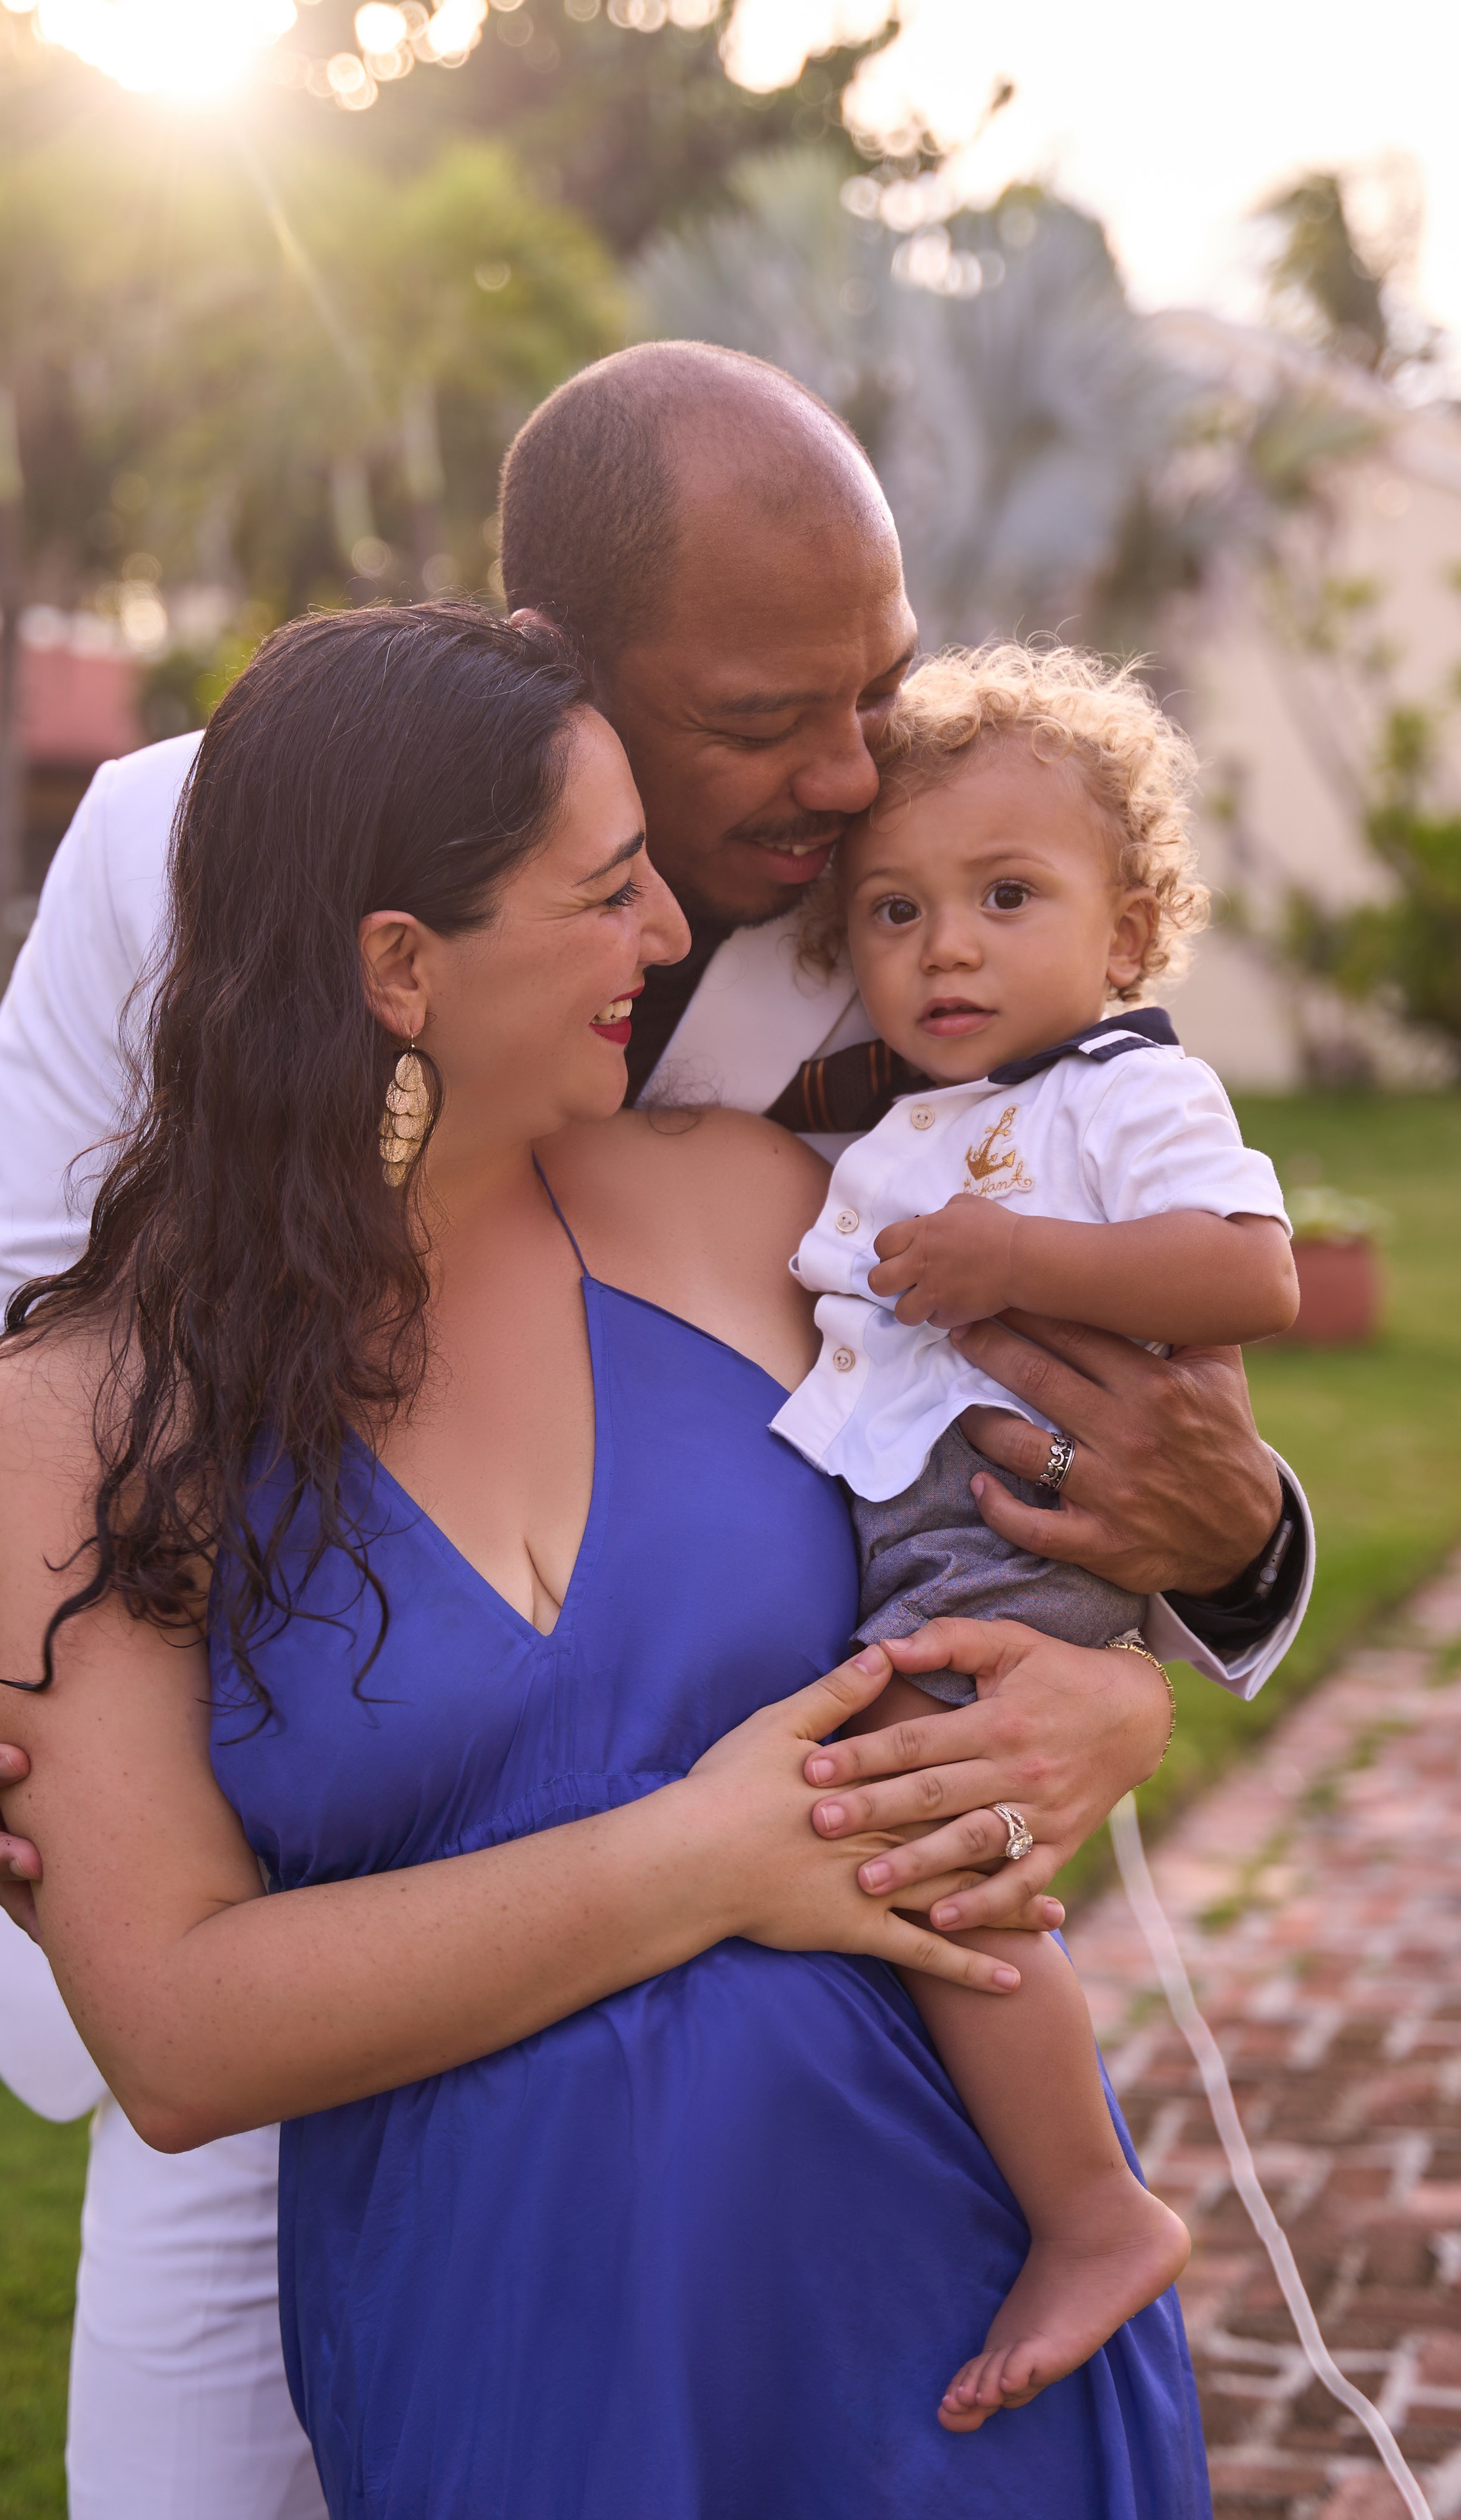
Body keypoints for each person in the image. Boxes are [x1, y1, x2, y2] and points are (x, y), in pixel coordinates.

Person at [0, 344, 1309, 2515]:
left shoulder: (900, 913)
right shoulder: (181, 842)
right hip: (300, 1882)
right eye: (761, 720)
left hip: (833, 2098)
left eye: (882, 684)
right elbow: (0, 1289)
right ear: (556, 663)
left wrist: (1172, 1614)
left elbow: (1076, 1301)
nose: (851, 775)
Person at [770, 642, 1302, 2433]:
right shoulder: (921, 1125)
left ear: (1131, 934)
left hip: (1025, 1528)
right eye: (897, 910)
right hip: (918, 1536)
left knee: (937, 1839)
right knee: (897, 1833)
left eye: (1010, 897)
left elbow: (1249, 1272)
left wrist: (1022, 1265)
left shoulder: (1128, 1098)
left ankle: (1094, 2207)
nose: (949, 947)